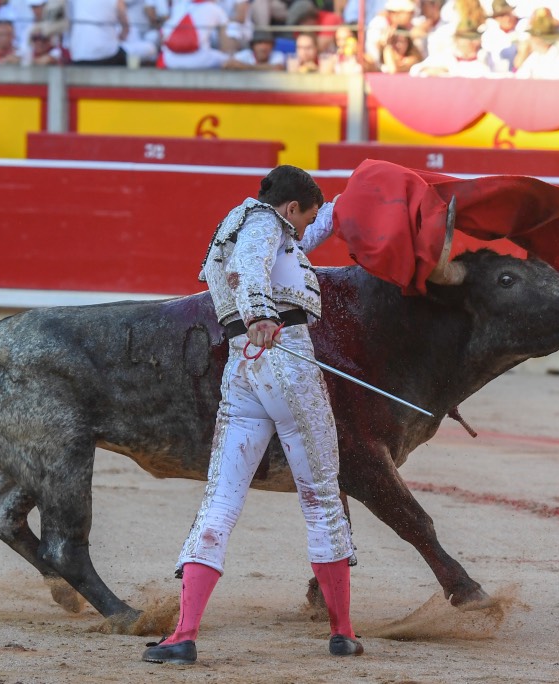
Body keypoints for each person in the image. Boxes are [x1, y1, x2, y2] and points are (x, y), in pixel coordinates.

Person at [141, 165, 362, 666]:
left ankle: (183, 635)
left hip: (243, 366)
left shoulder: (245, 222)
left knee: (220, 498)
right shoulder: (264, 228)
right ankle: (342, 631)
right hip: (283, 356)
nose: (303, 235)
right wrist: (261, 313)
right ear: (289, 211)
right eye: (302, 222)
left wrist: (344, 203)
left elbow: (293, 239)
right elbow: (250, 265)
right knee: (323, 496)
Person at [68, 0, 129, 66]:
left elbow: (68, 23)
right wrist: (120, 36)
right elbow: (126, 28)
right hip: (107, 54)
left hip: (78, 54)